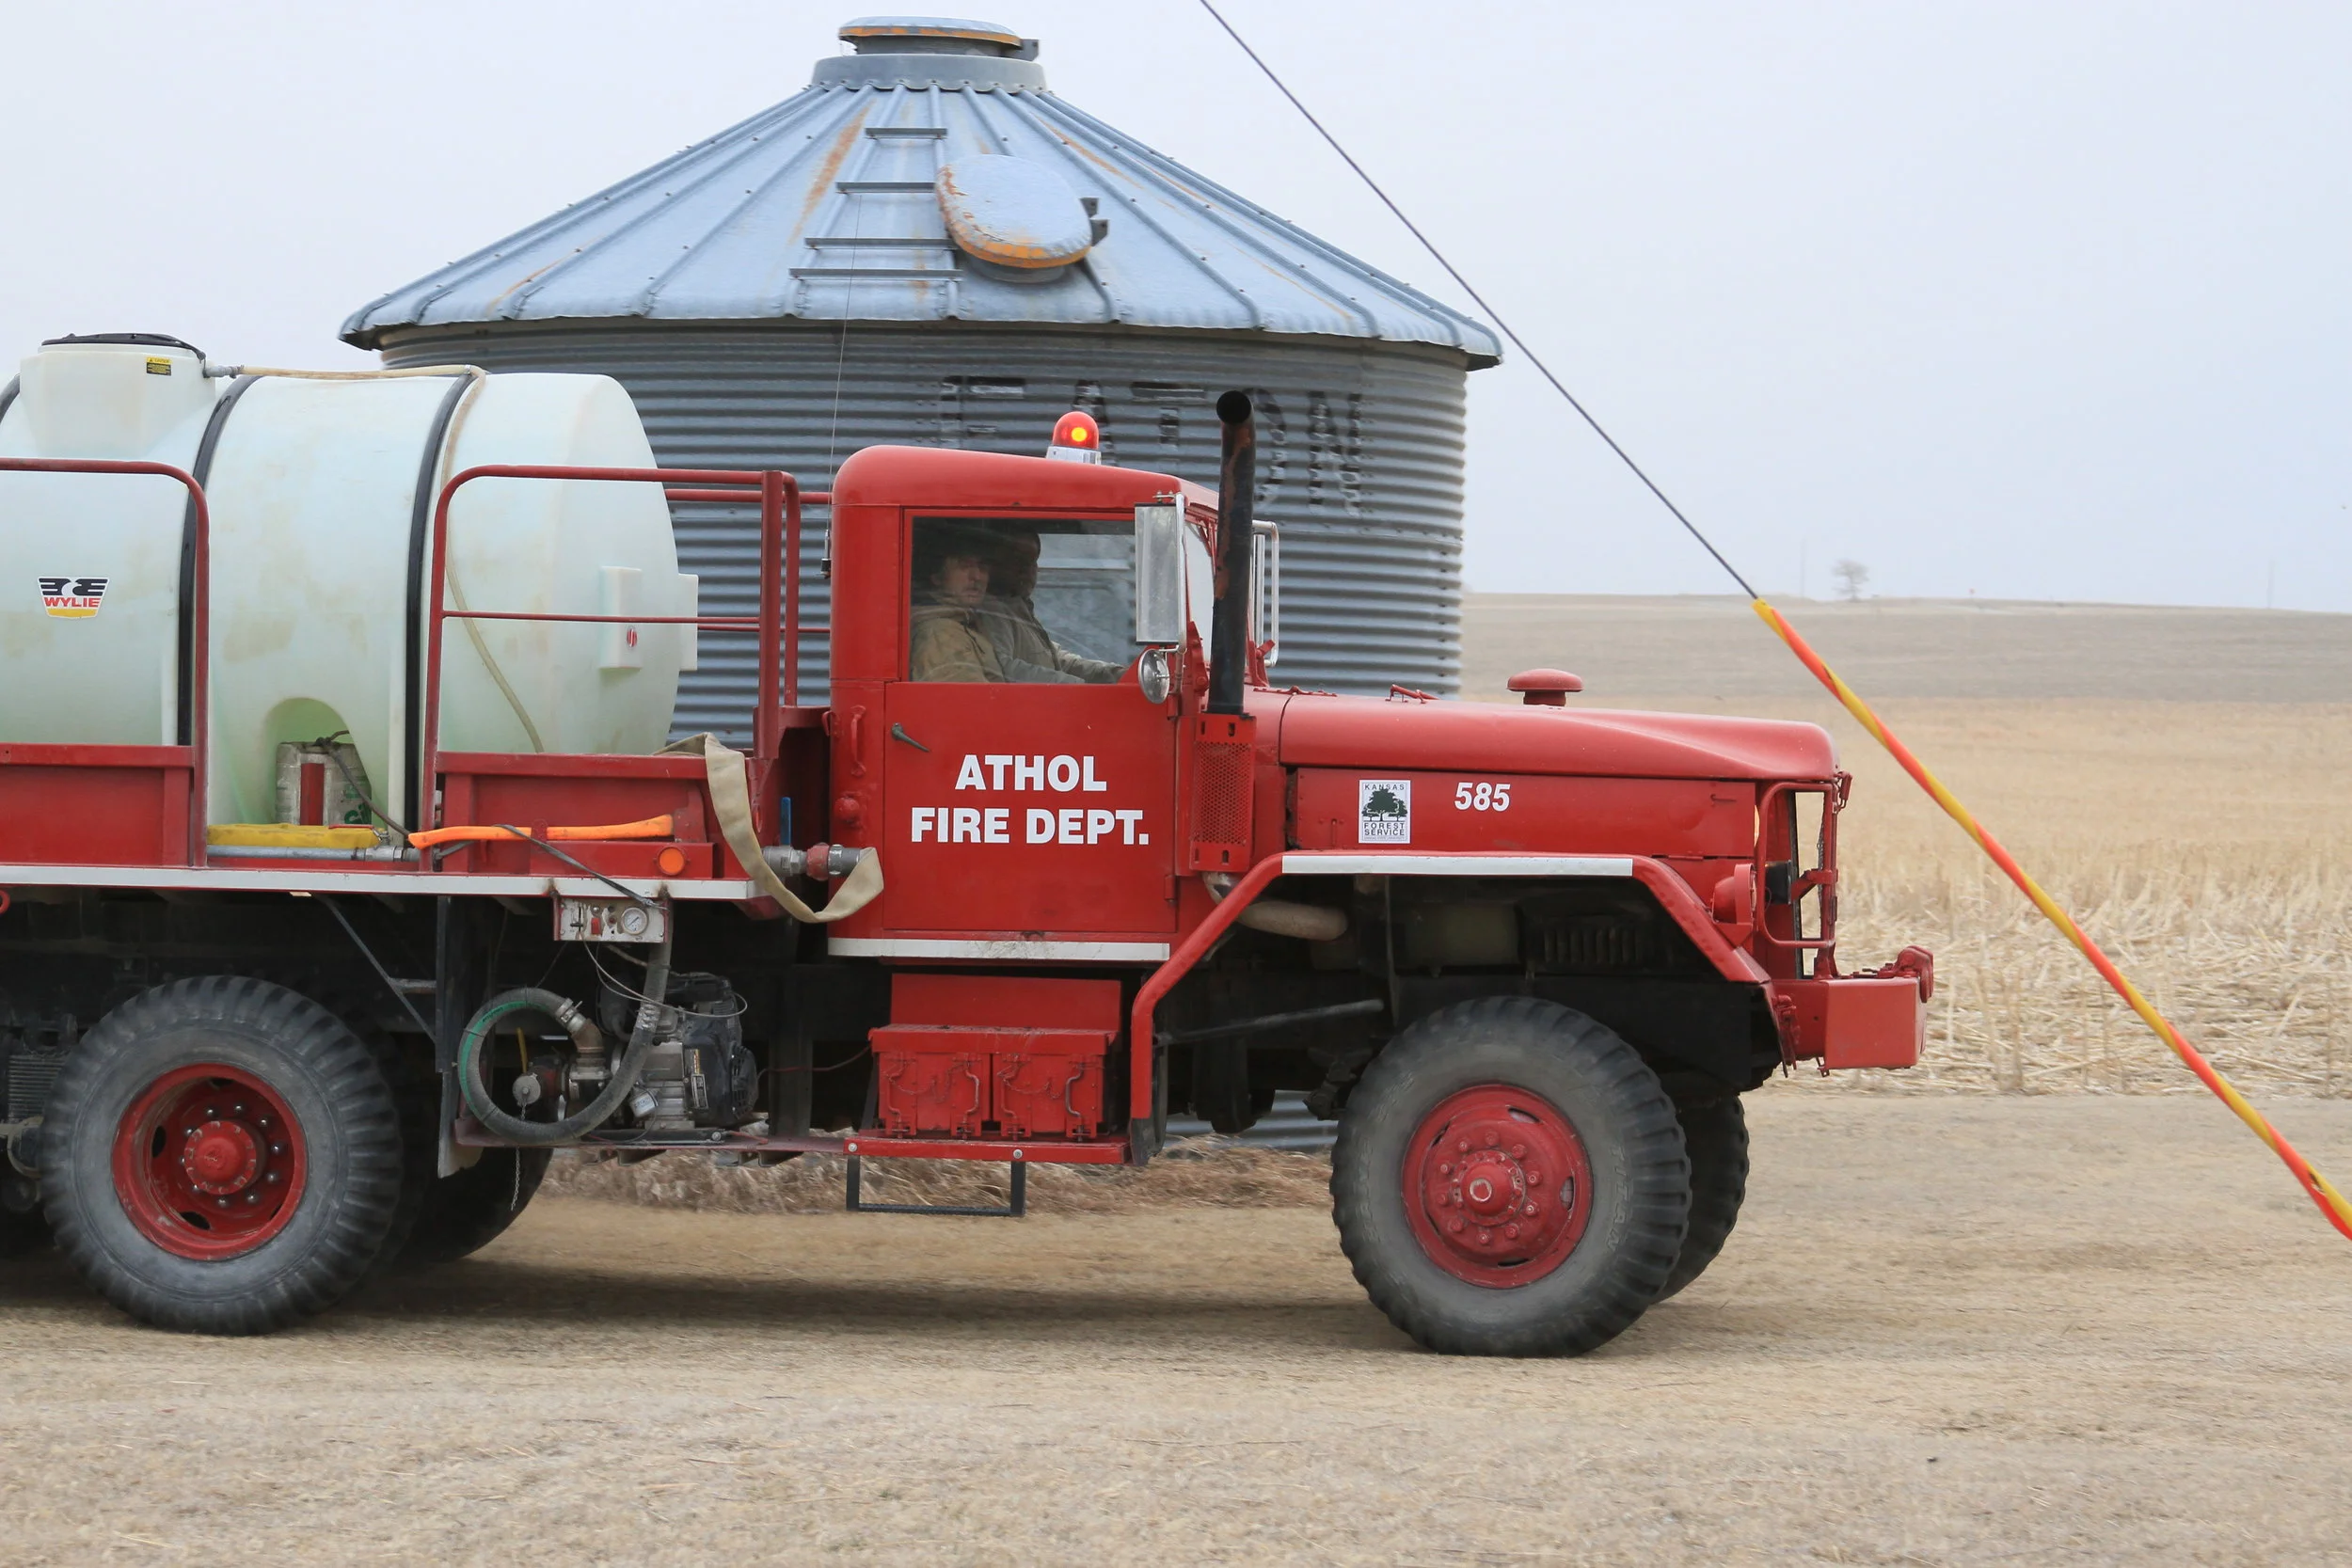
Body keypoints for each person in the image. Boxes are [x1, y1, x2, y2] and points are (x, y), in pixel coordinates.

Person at [981, 527, 1125, 685]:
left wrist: (1113, 674)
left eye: (1032, 562)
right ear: (994, 564)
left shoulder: (1019, 609)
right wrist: (1073, 685)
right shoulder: (992, 611)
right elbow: (1003, 668)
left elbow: (1055, 660)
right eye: (1018, 561)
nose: (1028, 571)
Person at [908, 525, 1008, 682]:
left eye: (983, 567)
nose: (977, 576)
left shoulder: (966, 623)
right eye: (964, 566)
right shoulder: (940, 634)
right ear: (937, 577)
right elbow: (966, 703)